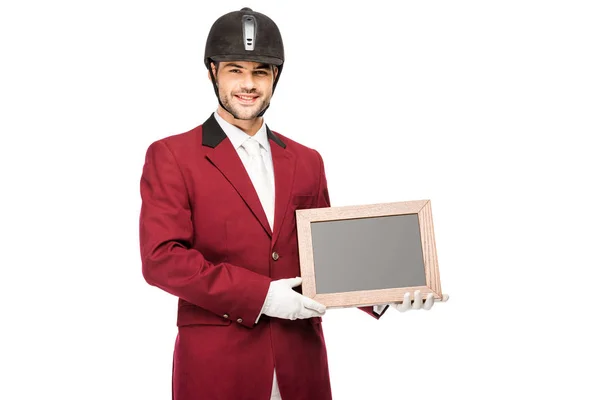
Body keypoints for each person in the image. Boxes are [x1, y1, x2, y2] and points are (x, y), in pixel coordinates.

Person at [139, 7, 447, 400]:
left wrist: (385, 294)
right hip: (218, 369)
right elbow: (162, 259)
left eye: (260, 72)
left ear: (276, 77)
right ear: (213, 71)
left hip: (301, 365)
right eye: (235, 69)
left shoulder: (307, 160)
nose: (248, 84)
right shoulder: (172, 156)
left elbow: (326, 257)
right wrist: (263, 297)